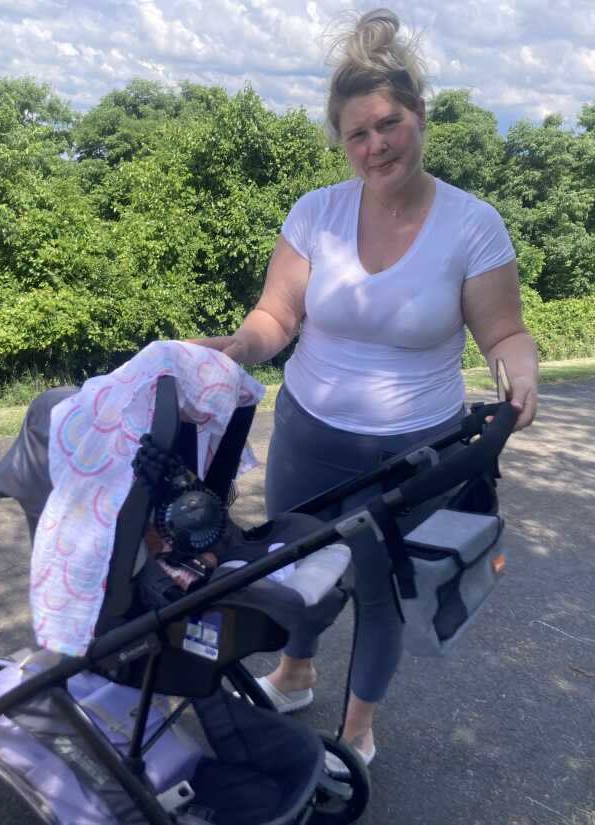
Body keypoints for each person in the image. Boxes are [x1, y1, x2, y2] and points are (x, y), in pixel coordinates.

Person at [192, 7, 539, 766]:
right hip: (310, 429)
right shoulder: (315, 214)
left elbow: (504, 333)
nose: (376, 145)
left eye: (389, 124)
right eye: (358, 133)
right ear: (340, 141)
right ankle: (295, 668)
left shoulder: (473, 225)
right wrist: (236, 348)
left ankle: (355, 731)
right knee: (293, 564)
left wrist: (522, 367)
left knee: (382, 587)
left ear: (418, 115)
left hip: (415, 449)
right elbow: (276, 315)